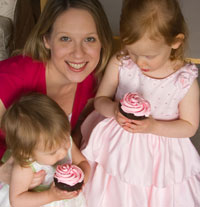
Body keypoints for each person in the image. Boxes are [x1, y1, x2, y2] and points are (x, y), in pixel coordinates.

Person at [81, 0, 200, 206]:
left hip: (161, 155)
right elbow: (100, 101)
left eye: (149, 55)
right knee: (109, 191)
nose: (140, 62)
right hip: (116, 146)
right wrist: (113, 109)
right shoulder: (122, 62)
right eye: (133, 52)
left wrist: (153, 126)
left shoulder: (184, 80)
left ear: (175, 41)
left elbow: (189, 127)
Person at [0, 0, 113, 186]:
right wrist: (3, 173)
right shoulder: (9, 79)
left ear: (102, 42)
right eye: (65, 39)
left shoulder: (92, 84)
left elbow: (71, 138)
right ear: (46, 40)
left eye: (89, 39)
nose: (79, 54)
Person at [0, 92, 90, 207]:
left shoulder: (61, 139)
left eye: (65, 142)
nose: (63, 152)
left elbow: (83, 163)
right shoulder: (26, 164)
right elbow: (17, 201)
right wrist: (51, 195)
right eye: (53, 152)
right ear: (27, 151)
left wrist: (81, 179)